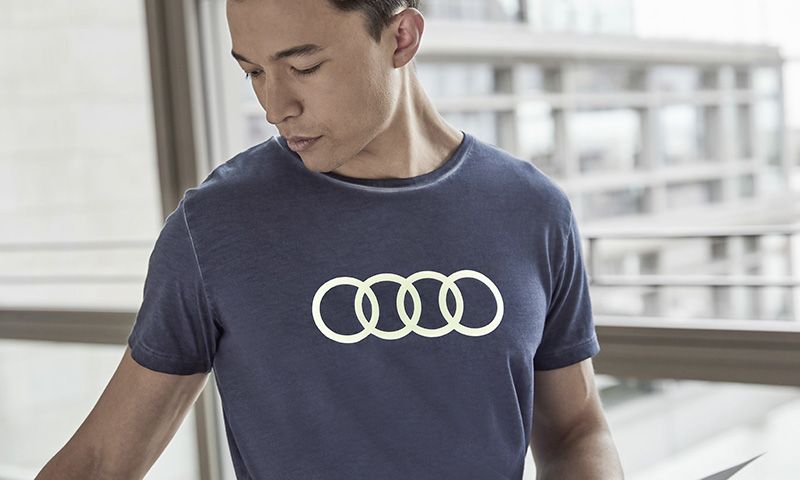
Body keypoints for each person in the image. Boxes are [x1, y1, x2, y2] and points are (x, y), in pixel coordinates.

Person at [36, 0, 624, 478]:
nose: (276, 107)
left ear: (401, 38)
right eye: (253, 72)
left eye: (304, 67)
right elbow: (101, 462)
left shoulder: (531, 210)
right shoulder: (216, 225)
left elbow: (575, 431)